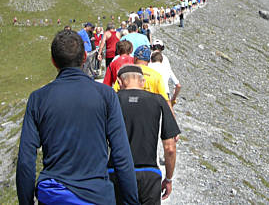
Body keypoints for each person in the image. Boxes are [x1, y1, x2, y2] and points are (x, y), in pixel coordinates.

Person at [16, 30, 139, 205]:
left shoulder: (38, 99)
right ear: (84, 58)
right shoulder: (106, 95)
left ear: (53, 61)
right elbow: (121, 154)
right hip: (97, 194)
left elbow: (26, 160)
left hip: (52, 195)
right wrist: (131, 201)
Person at [109, 65, 180, 204]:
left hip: (116, 172)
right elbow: (170, 148)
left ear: (119, 81)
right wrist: (168, 179)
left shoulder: (112, 100)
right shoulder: (159, 101)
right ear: (143, 82)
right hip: (149, 174)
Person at [152, 39, 181, 106]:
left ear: (152, 47)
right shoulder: (165, 60)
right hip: (164, 93)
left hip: (150, 92)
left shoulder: (147, 58)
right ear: (162, 48)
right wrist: (173, 99)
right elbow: (178, 85)